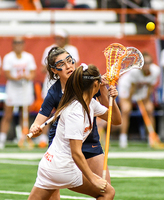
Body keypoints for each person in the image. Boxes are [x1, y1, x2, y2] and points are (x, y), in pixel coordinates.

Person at [29, 47, 118, 199]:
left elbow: (111, 115)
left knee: (105, 190)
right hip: (64, 144)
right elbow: (39, 120)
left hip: (89, 140)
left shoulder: (86, 82)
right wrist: (35, 128)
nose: (68, 66)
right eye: (62, 64)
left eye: (70, 61)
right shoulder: (54, 92)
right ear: (54, 70)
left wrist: (104, 90)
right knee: (54, 189)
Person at [38, 28, 80, 147]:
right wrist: (55, 67)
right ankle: (43, 137)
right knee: (48, 111)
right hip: (52, 83)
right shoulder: (49, 50)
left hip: (68, 84)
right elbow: (42, 68)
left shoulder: (72, 50)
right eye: (57, 38)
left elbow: (74, 67)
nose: (58, 40)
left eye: (60, 38)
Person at [0, 36, 36, 149]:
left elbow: (32, 73)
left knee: (25, 115)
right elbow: (7, 74)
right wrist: (16, 78)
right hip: (13, 88)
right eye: (16, 43)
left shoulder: (29, 57)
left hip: (25, 88)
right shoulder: (9, 57)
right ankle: (1, 139)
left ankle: (24, 137)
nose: (18, 45)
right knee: (7, 114)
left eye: (20, 43)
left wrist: (26, 77)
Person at [118, 52, 161, 148]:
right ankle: (123, 137)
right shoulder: (134, 72)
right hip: (127, 87)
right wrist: (129, 101)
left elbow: (150, 87)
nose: (147, 65)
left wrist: (145, 101)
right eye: (144, 63)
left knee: (149, 109)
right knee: (126, 109)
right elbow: (132, 89)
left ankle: (151, 137)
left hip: (141, 89)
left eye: (149, 63)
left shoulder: (156, 70)